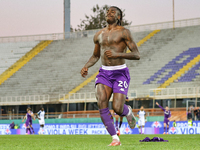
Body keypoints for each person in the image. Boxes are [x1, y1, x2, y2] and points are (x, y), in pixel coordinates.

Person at [81, 6, 140, 146]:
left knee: (118, 108)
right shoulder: (99, 34)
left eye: (112, 12)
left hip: (120, 72)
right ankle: (115, 138)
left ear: (119, 17)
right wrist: (86, 66)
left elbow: (137, 54)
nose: (109, 13)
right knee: (101, 100)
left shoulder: (124, 32)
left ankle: (127, 111)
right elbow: (96, 55)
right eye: (107, 12)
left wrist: (117, 54)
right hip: (104, 73)